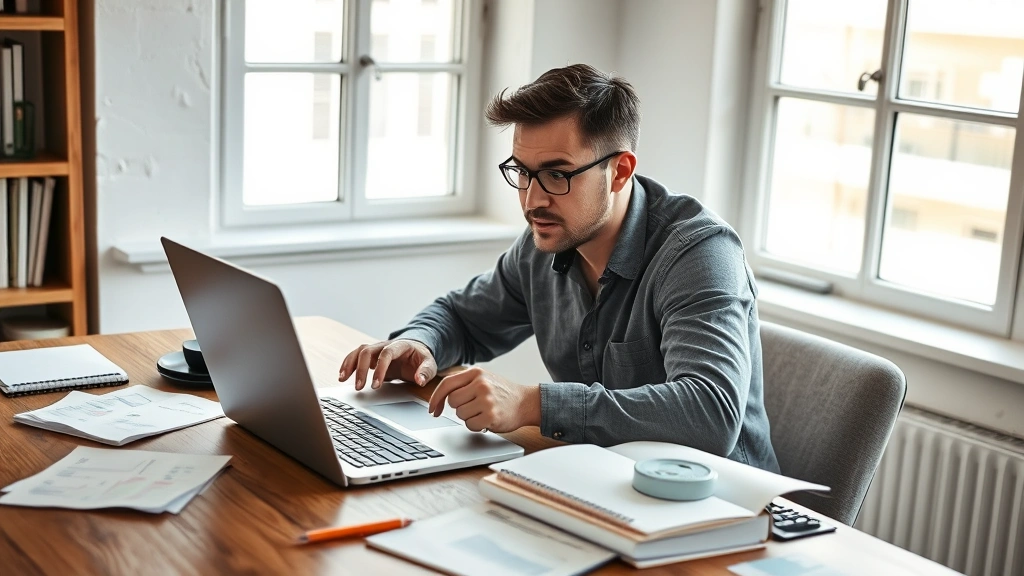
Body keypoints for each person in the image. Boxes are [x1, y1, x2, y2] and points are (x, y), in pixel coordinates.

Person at [339, 64, 779, 472]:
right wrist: (421, 344)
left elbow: (709, 414)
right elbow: (462, 318)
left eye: (556, 175)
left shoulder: (699, 253)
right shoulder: (545, 242)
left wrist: (535, 405)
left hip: (727, 506)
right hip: (602, 482)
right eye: (522, 172)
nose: (532, 200)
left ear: (620, 171)